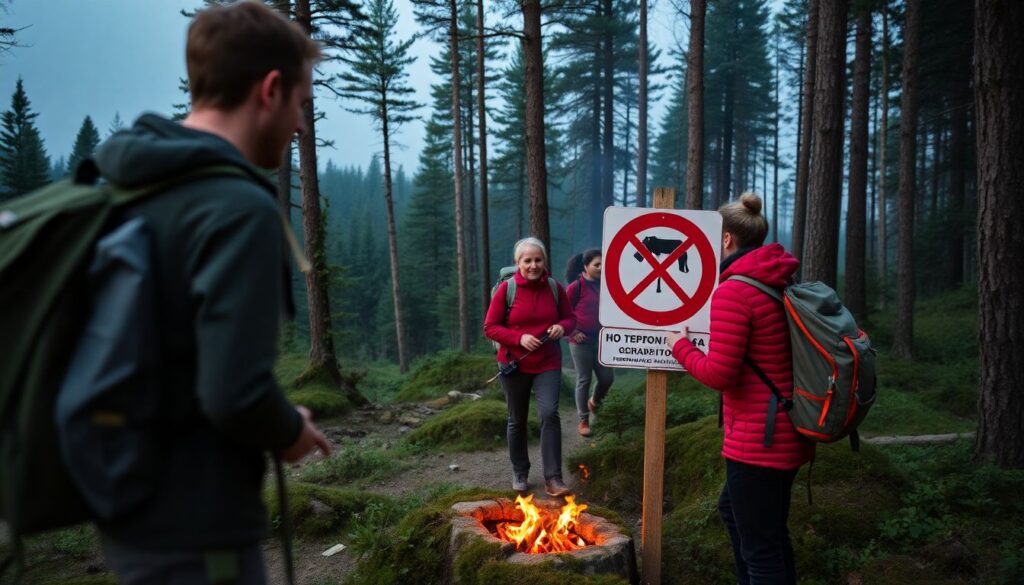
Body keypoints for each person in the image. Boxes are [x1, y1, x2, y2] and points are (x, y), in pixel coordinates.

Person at [89, 2, 331, 583]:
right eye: (300, 103)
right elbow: (234, 393)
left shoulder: (126, 183)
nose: (301, 126)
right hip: (198, 524)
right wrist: (289, 430)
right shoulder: (236, 208)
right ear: (269, 90)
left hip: (126, 503)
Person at [666, 193, 814, 585]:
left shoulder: (735, 290)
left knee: (761, 548)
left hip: (759, 440)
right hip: (784, 428)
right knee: (746, 521)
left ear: (727, 239)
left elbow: (720, 374)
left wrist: (679, 347)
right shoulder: (776, 279)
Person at [484, 237, 576, 497]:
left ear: (544, 261)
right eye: (527, 261)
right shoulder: (507, 290)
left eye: (538, 260)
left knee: (549, 414)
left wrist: (562, 327)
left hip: (548, 362)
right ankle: (520, 471)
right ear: (518, 263)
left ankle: (553, 478)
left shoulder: (555, 288)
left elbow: (571, 319)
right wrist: (519, 338)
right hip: (514, 363)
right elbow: (490, 327)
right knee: (517, 419)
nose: (533, 265)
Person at [564, 249, 614, 437]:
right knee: (584, 379)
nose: (600, 268)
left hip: (602, 340)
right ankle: (583, 420)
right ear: (586, 266)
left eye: (602, 264)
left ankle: (594, 402)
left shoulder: (607, 286)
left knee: (607, 378)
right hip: (580, 341)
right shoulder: (575, 287)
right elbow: (563, 314)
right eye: (596, 264)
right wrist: (573, 332)